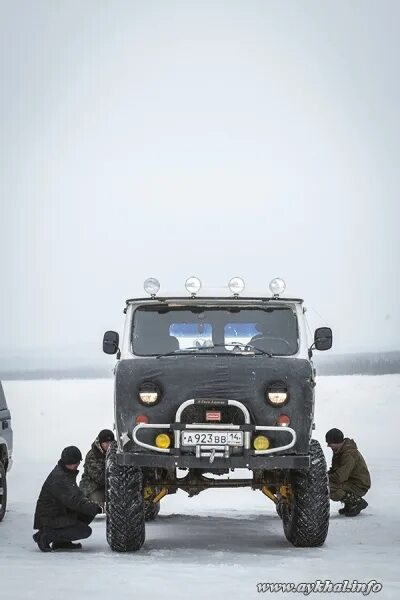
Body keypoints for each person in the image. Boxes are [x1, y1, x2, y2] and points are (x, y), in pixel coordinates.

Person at [33, 446, 101, 552]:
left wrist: (93, 506)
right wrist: (92, 507)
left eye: (75, 463)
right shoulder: (59, 477)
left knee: (88, 512)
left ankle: (62, 542)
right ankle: (45, 535)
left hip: (61, 513)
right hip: (50, 519)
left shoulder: (66, 472)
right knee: (85, 531)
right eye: (71, 463)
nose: (74, 465)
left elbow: (76, 495)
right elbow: (73, 500)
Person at [326, 428, 371, 517]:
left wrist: (324, 477)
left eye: (330, 444)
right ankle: (350, 504)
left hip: (359, 485)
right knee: (327, 483)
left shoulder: (348, 454)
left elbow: (340, 477)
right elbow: (335, 470)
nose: (329, 446)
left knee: (327, 487)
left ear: (337, 441)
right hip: (351, 482)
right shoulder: (339, 451)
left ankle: (356, 502)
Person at [79, 429, 115, 505]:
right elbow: (100, 478)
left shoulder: (115, 452)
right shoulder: (92, 456)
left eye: (110, 442)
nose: (109, 445)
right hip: (92, 488)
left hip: (108, 487)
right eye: (106, 442)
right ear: (100, 443)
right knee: (97, 502)